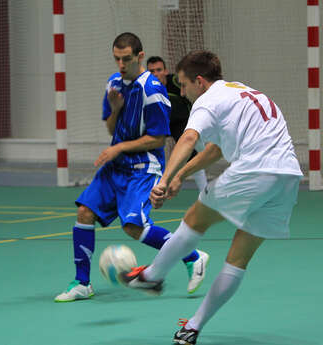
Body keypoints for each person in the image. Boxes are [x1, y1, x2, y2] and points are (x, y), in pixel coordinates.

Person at [119, 50, 303, 344]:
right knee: (237, 260)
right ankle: (191, 327)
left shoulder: (207, 100)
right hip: (287, 178)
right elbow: (214, 151)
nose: (182, 91)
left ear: (200, 81)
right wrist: (180, 176)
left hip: (254, 171)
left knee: (194, 220)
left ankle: (153, 276)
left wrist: (164, 179)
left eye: (183, 84)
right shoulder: (242, 93)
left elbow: (189, 138)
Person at [54, 33, 209, 303]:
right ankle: (82, 283)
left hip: (143, 167)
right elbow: (112, 128)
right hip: (116, 167)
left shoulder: (153, 90)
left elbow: (158, 138)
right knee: (84, 212)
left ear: (139, 57)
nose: (121, 64)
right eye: (117, 58)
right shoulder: (114, 84)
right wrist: (115, 109)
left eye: (126, 59)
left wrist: (119, 148)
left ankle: (192, 255)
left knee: (133, 226)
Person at [146, 56, 208, 191]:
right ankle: (151, 188)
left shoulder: (176, 81)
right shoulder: (145, 89)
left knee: (194, 153)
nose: (156, 74)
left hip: (182, 121)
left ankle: (205, 191)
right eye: (152, 71)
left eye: (159, 70)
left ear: (166, 71)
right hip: (160, 124)